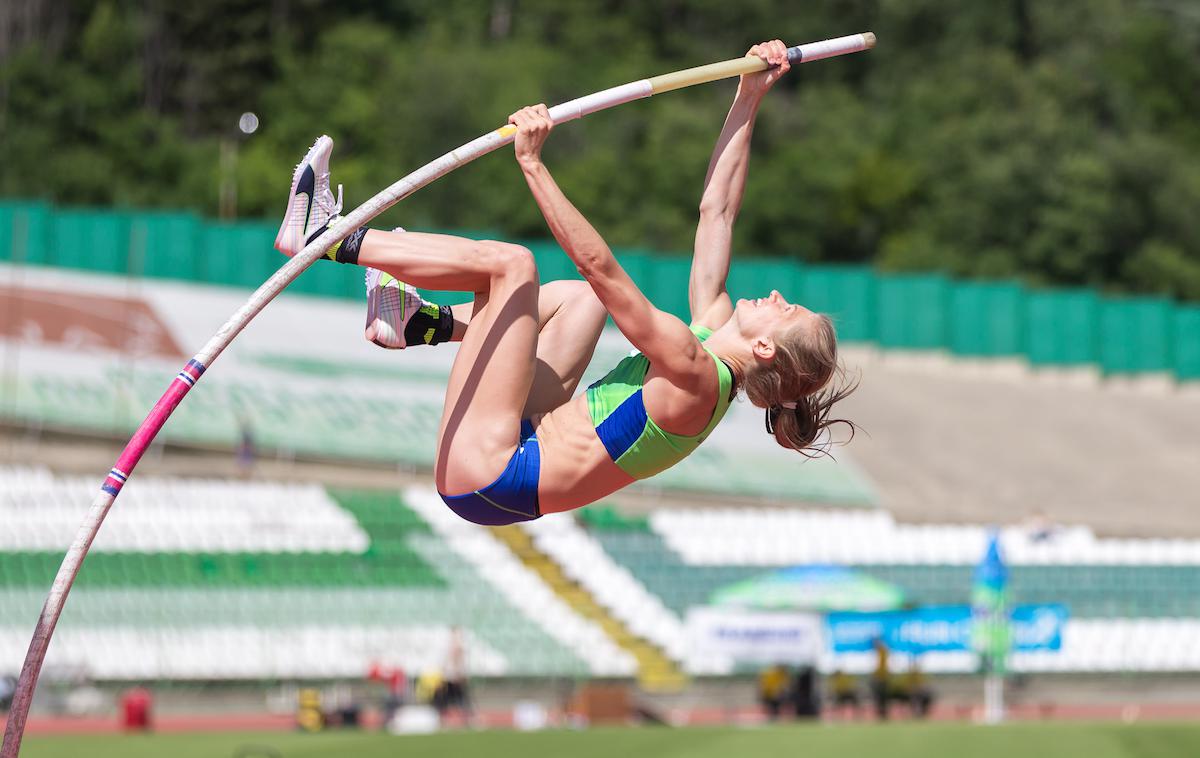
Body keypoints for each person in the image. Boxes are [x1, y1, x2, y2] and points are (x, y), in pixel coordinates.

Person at [274, 40, 856, 525]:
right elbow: (717, 213)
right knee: (577, 306)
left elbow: (600, 269)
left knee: (513, 267)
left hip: (491, 473)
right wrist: (748, 98)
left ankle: (328, 237)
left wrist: (533, 163)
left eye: (786, 310)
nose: (777, 296)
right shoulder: (708, 335)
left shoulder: (695, 376)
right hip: (517, 447)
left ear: (763, 347)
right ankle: (418, 322)